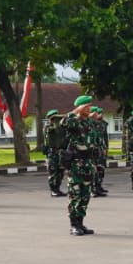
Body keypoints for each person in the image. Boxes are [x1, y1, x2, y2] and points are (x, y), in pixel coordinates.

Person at [63, 95, 96, 236]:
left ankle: (80, 223)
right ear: (80, 107)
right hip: (75, 164)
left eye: (89, 106)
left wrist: (94, 163)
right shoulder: (73, 121)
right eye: (86, 106)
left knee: (85, 195)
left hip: (87, 163)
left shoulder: (88, 123)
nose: (89, 109)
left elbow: (92, 144)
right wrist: (75, 111)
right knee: (75, 194)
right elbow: (63, 122)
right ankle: (73, 225)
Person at [44, 110, 66, 197]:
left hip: (61, 153)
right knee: (53, 172)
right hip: (52, 153)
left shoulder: (61, 127)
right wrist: (57, 123)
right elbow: (54, 131)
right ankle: (53, 190)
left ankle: (57, 189)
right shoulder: (48, 128)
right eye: (55, 118)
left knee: (61, 172)